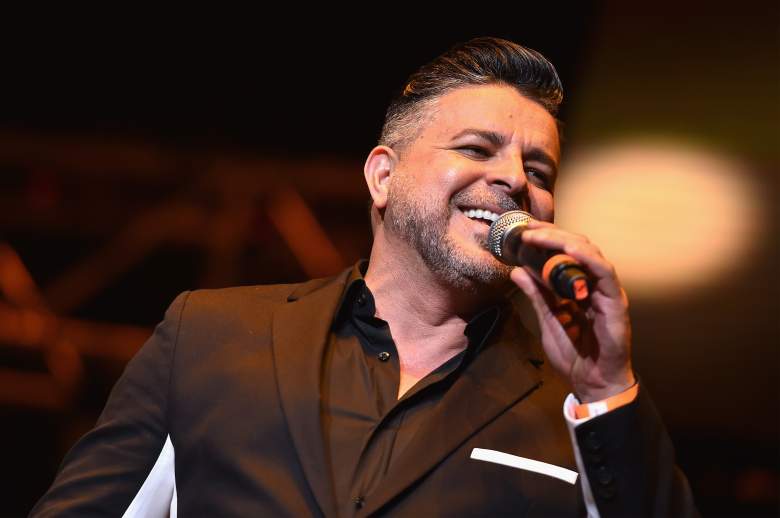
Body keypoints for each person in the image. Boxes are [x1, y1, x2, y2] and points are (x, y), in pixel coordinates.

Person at [31, 37, 698, 517]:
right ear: (383, 175)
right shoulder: (210, 333)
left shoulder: (583, 412)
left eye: (540, 172)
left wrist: (607, 390)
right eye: (475, 148)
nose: (514, 180)